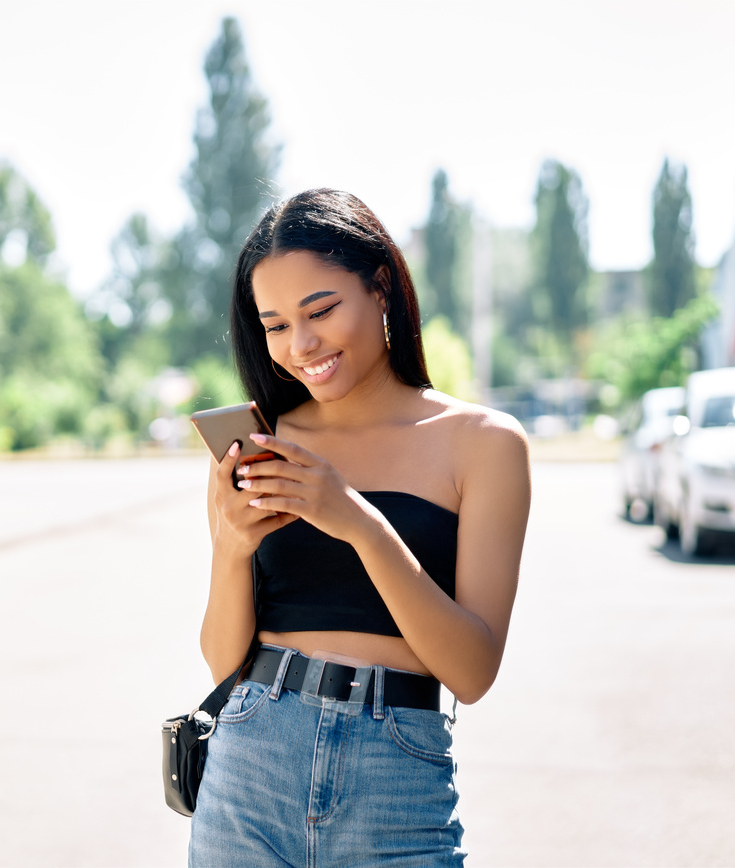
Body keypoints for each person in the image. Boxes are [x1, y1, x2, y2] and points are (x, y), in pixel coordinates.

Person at [190, 189, 531, 867]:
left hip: (397, 780)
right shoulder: (263, 444)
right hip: (250, 765)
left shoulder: (484, 444)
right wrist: (232, 549)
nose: (302, 344)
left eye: (320, 311)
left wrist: (360, 523)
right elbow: (223, 663)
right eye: (276, 325)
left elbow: (472, 671)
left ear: (380, 288)